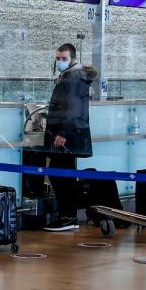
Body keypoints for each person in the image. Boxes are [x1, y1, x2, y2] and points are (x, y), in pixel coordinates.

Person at [42, 43, 97, 232]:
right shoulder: (73, 76)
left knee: (59, 173)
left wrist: (62, 133)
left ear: (73, 59)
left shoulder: (72, 78)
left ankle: (68, 216)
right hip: (71, 133)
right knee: (63, 174)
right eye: (57, 58)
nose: (59, 62)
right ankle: (68, 215)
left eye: (63, 59)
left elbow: (72, 108)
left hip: (66, 134)